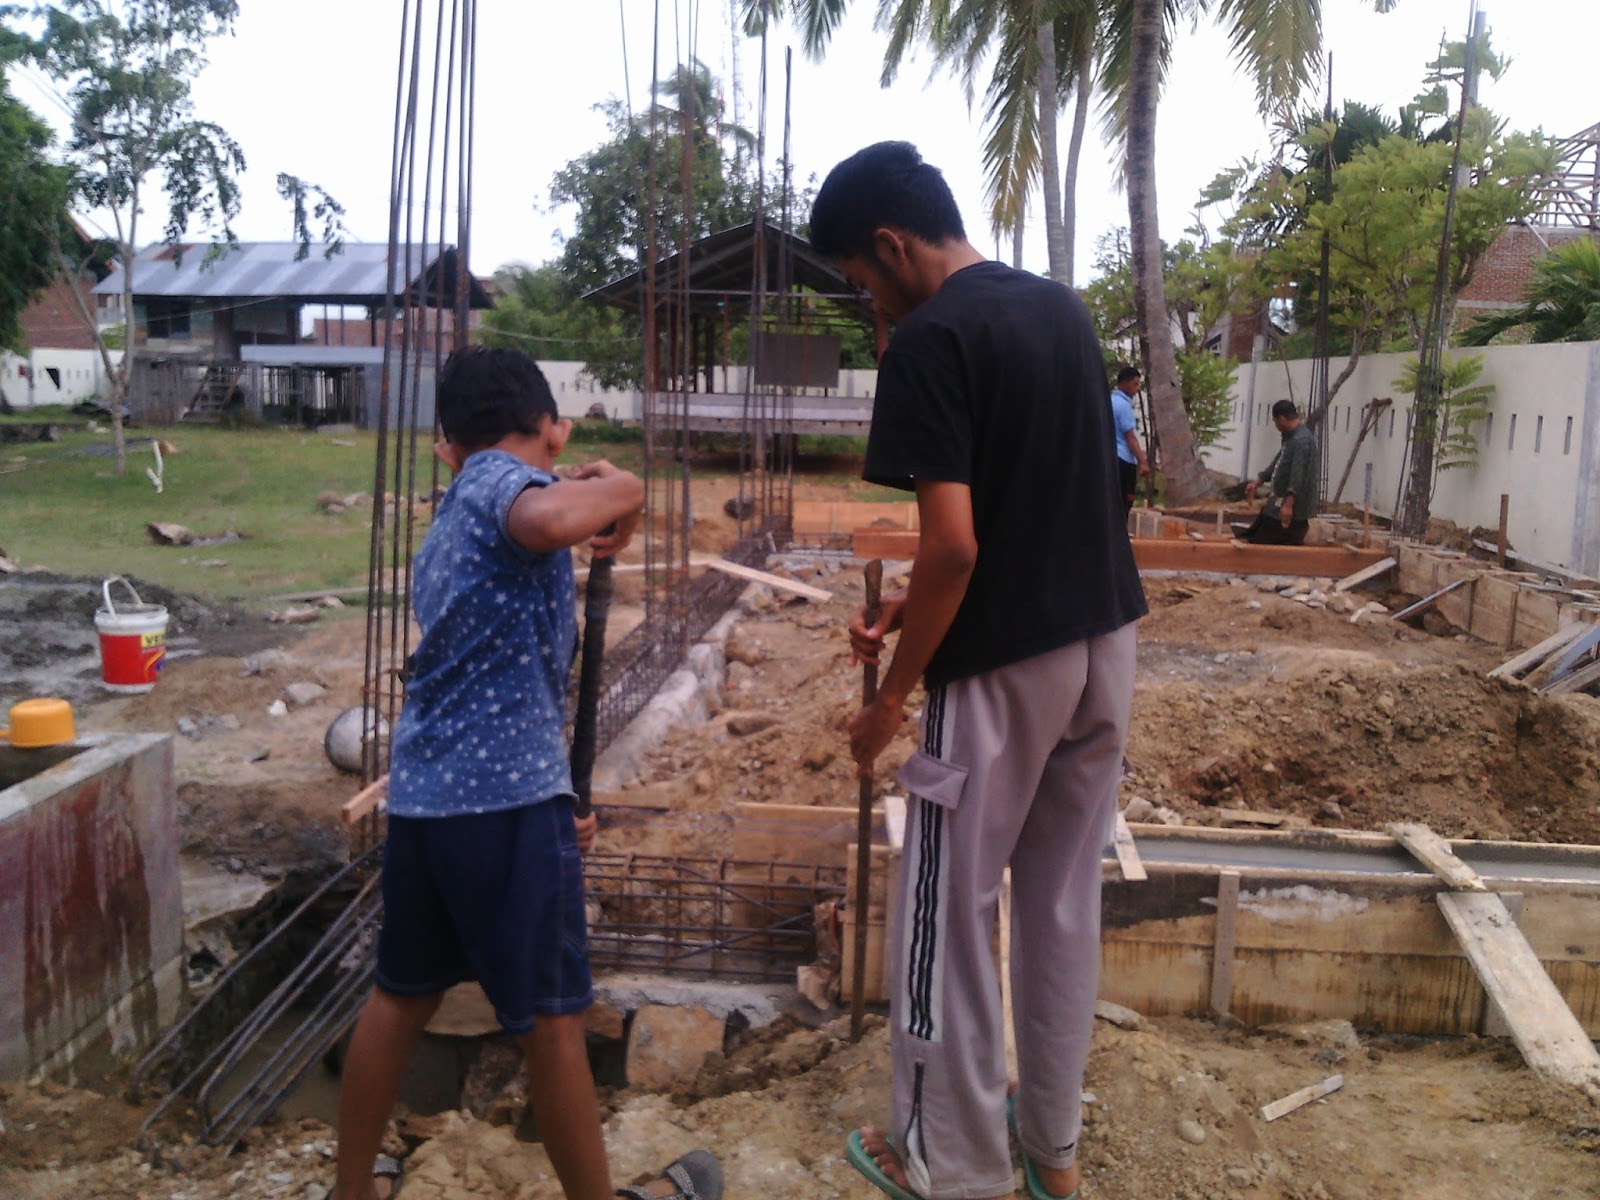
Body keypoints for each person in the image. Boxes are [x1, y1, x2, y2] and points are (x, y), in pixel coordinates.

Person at [811, 142, 1147, 1200]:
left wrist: (893, 699)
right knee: (1056, 904)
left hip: (1002, 673)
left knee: (944, 919)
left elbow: (954, 545)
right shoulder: (1059, 309)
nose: (872, 308)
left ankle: (951, 1172)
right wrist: (922, 598)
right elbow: (1056, 497)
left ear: (889, 246)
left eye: (863, 284)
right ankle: (1053, 1156)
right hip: (1103, 646)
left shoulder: (931, 340)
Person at [331, 346, 721, 1200]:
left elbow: (502, 660)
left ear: (445, 444)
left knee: (401, 997)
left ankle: (351, 1189)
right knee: (553, 1024)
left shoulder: (451, 513)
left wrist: (555, 802)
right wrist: (623, 487)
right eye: (553, 452)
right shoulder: (500, 487)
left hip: (434, 804)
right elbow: (544, 519)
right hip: (499, 807)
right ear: (551, 432)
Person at [1241, 399, 1320, 546]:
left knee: (1280, 537)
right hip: (1280, 499)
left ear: (1282, 419)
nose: (1276, 425)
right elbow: (1279, 461)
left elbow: (1298, 474)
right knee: (1263, 525)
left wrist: (1288, 504)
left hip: (1295, 506)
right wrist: (1258, 481)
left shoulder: (1301, 441)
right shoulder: (1290, 437)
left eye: (1275, 421)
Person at [1109, 366, 1151, 511]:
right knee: (1125, 502)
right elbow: (1130, 437)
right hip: (1124, 460)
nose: (1138, 389)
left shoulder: (1109, 401)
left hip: (1110, 458)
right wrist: (1143, 462)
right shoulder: (1123, 406)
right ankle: (1121, 532)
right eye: (1135, 384)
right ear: (1125, 383)